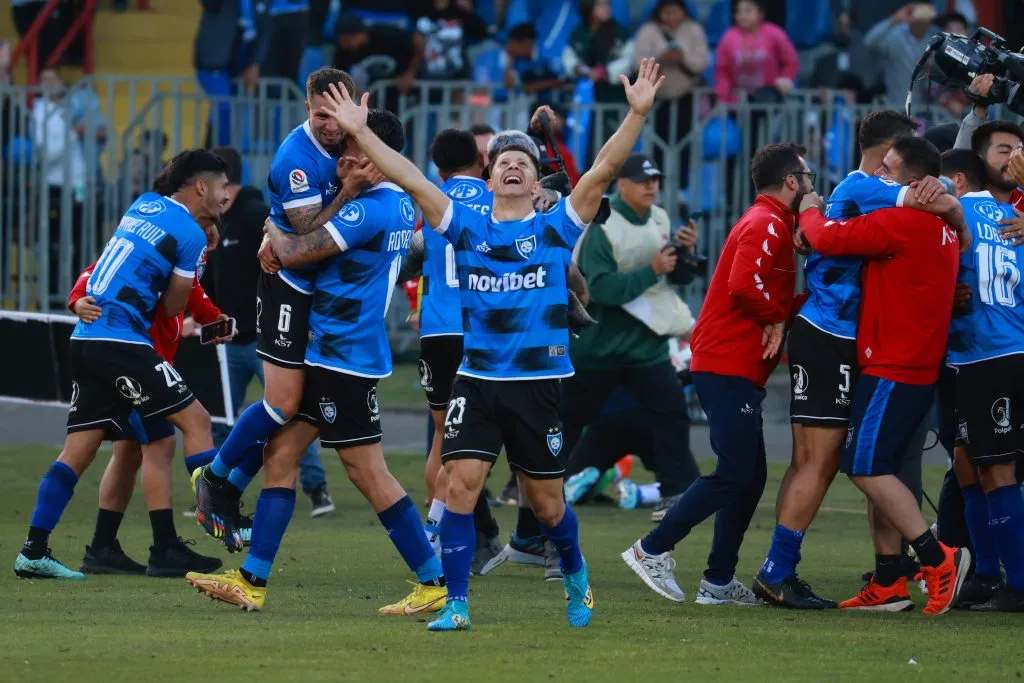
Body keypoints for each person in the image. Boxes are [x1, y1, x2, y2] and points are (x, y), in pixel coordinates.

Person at [321, 59, 667, 631]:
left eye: (522, 164)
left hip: (536, 387)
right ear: (489, 181)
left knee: (548, 504)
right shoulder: (466, 226)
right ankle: (456, 604)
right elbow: (410, 176)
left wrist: (635, 113)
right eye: (503, 162)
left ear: (536, 185)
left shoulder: (555, 227)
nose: (512, 167)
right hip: (477, 381)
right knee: (461, 486)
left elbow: (604, 168)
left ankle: (577, 579)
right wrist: (359, 132)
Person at [186, 109, 447, 615]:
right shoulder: (398, 205)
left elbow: (298, 251)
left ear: (377, 157)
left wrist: (272, 230)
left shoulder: (369, 207)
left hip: (341, 358)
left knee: (367, 472)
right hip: (335, 350)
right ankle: (251, 578)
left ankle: (433, 580)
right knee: (280, 456)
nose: (344, 156)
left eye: (355, 148)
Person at [754, 110, 961, 608]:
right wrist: (950, 205)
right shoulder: (871, 189)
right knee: (826, 461)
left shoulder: (887, 204)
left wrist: (950, 206)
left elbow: (926, 205)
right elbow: (919, 201)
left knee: (845, 462)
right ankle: (781, 571)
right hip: (834, 335)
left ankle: (889, 574)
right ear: (889, 149)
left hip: (858, 343)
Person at [14, 149, 228, 580]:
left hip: (92, 345)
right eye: (222, 188)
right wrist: (78, 295)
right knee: (189, 425)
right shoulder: (184, 236)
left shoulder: (144, 209)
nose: (225, 199)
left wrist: (209, 317)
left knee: (104, 450)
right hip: (126, 349)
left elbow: (117, 260)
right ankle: (213, 516)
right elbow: (162, 299)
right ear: (201, 188)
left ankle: (67, 548)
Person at [621, 143, 806, 607]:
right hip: (726, 362)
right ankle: (652, 549)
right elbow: (745, 285)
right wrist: (777, 318)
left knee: (751, 476)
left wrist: (784, 313)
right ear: (790, 182)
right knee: (735, 471)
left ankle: (718, 581)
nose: (812, 185)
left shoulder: (774, 223)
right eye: (806, 176)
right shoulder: (766, 222)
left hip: (735, 365)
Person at [193, 68, 357, 550]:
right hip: (287, 288)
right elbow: (304, 238)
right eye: (321, 114)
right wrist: (346, 194)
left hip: (322, 297)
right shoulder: (296, 158)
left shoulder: (356, 141)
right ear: (307, 109)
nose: (330, 124)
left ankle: (229, 497)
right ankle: (217, 477)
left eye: (338, 114)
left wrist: (272, 227)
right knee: (283, 404)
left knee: (299, 417)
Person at [559, 152, 700, 522]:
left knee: (672, 413)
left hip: (644, 346)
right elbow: (599, 289)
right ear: (621, 184)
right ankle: (536, 489)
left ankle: (676, 492)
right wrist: (652, 270)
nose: (651, 186)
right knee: (568, 420)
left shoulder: (659, 217)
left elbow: (677, 277)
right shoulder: (603, 225)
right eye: (642, 180)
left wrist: (685, 254)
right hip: (599, 348)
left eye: (654, 179)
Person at [203, 146, 335, 519]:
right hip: (228, 339)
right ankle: (216, 489)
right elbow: (214, 282)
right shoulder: (219, 222)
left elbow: (285, 249)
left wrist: (270, 235)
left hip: (267, 337)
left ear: (226, 183)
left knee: (286, 411)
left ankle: (317, 488)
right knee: (223, 416)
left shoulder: (253, 216)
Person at [409, 127, 504, 573]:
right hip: (478, 330)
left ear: (440, 168)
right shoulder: (494, 199)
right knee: (478, 442)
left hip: (435, 332)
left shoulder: (431, 200)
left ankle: (431, 536)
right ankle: (447, 534)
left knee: (442, 440)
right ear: (479, 162)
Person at [943, 147, 1024, 612]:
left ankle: (1016, 583)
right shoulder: (1013, 218)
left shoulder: (955, 218)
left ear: (956, 180)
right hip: (1009, 348)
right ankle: (987, 573)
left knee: (996, 470)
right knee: (965, 460)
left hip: (984, 356)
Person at [633, 0, 708, 186]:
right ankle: (657, 188)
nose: (671, 16)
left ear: (683, 12)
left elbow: (702, 62)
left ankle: (682, 189)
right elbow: (636, 63)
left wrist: (683, 58)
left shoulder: (694, 30)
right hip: (656, 98)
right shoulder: (648, 30)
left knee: (685, 144)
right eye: (666, 12)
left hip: (686, 96)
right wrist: (660, 58)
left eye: (675, 12)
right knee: (656, 145)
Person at [714, 0, 799, 105]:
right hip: (737, 99)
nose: (742, 15)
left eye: (748, 11)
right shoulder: (728, 37)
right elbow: (722, 69)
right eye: (738, 11)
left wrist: (786, 78)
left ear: (760, 14)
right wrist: (723, 94)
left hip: (768, 98)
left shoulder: (774, 33)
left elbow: (791, 61)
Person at [863, 2, 939, 110]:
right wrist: (895, 19)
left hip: (923, 108)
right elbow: (869, 41)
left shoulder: (935, 37)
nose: (921, 24)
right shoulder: (895, 36)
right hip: (895, 104)